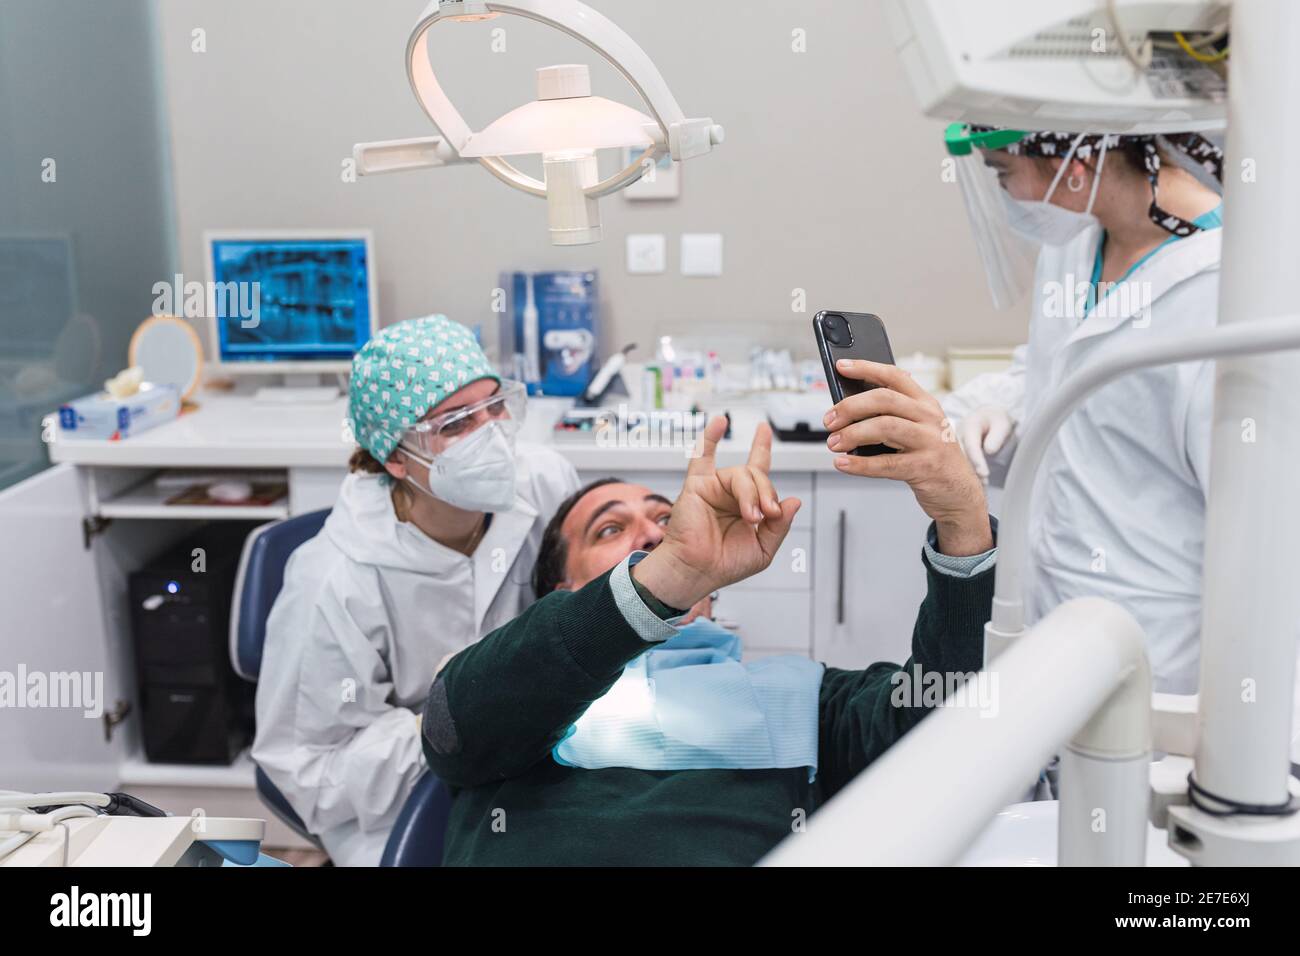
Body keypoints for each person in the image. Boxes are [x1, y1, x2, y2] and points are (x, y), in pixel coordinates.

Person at [421, 364, 997, 866]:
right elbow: (450, 732)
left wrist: (964, 520)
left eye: (666, 521)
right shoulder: (519, 687)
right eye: (611, 529)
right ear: (563, 588)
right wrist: (663, 576)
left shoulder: (801, 697)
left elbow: (947, 726)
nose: (652, 534)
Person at [254, 314, 579, 866]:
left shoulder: (545, 482)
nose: (490, 436)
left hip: (538, 749)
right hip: (399, 793)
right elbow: (307, 768)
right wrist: (457, 725)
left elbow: (585, 595)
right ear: (395, 458)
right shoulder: (334, 580)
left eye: (495, 407)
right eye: (454, 423)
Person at [940, 127, 1225, 694]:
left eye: (1001, 170)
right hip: (1047, 619)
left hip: (1160, 653)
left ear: (1076, 159)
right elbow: (1056, 376)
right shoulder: (1074, 244)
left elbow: (1267, 534)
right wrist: (1001, 409)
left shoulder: (1230, 292)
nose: (1005, 194)